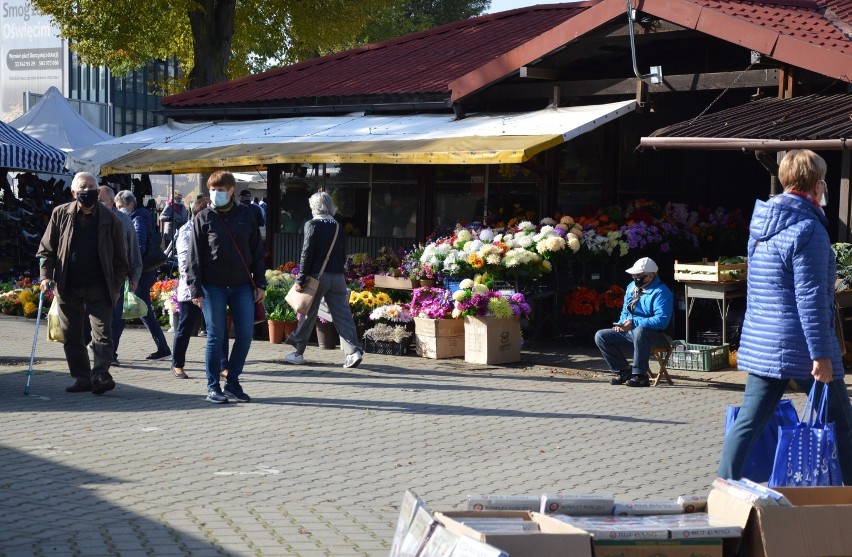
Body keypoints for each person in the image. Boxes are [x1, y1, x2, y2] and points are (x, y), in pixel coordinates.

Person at [718, 149, 852, 484]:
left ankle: (723, 486)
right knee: (841, 422)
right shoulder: (809, 229)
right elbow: (810, 298)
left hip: (766, 343)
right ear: (818, 184)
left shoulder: (763, 224)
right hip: (802, 346)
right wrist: (822, 355)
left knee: (749, 422)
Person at [36, 172, 128, 394]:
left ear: (98, 190)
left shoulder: (110, 219)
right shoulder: (61, 214)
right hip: (68, 284)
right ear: (74, 192)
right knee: (72, 335)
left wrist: (116, 287)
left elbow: (120, 259)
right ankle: (81, 378)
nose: (88, 191)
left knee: (103, 333)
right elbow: (46, 250)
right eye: (83, 187)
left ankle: (101, 375)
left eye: (92, 187)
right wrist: (46, 276)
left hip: (100, 285)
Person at [187, 171, 266, 404]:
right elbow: (193, 257)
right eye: (213, 189)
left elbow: (257, 252)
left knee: (245, 334)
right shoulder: (203, 218)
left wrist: (259, 282)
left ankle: (232, 382)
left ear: (232, 190)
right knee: (216, 335)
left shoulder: (246, 215)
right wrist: (195, 289)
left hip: (242, 284)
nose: (216, 193)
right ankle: (213, 386)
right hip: (213, 286)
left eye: (221, 189)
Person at [284, 191, 364, 369]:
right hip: (337, 277)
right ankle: (353, 352)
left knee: (307, 314)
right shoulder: (338, 226)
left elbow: (307, 253)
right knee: (343, 316)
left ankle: (298, 353)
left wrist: (300, 279)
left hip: (317, 277)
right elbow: (343, 254)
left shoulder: (312, 224)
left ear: (314, 206)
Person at [82, 186, 143, 365]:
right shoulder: (87, 217)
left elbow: (133, 249)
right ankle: (90, 347)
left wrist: (135, 276)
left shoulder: (123, 220)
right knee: (87, 317)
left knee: (114, 318)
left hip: (115, 277)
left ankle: (109, 354)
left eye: (100, 201)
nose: (96, 204)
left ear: (111, 202)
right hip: (90, 276)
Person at [170, 196, 228, 380]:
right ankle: (177, 364)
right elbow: (185, 264)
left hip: (214, 286)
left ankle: (223, 366)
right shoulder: (187, 231)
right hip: (192, 288)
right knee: (186, 327)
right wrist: (196, 288)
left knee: (218, 328)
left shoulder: (215, 228)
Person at [594, 257, 673, 388]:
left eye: (638, 275)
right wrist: (621, 324)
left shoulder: (662, 292)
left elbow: (661, 321)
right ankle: (624, 371)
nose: (635, 278)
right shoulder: (632, 287)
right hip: (632, 330)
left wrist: (634, 323)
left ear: (650, 276)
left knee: (640, 331)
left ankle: (640, 376)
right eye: (633, 275)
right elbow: (626, 310)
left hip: (660, 336)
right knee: (601, 336)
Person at [115, 190, 172, 362]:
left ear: (131, 205)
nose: (118, 210)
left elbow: (138, 247)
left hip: (140, 272)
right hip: (143, 271)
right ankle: (162, 348)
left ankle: (110, 351)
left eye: (120, 207)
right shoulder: (139, 218)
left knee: (126, 310)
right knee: (140, 311)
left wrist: (130, 269)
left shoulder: (137, 220)